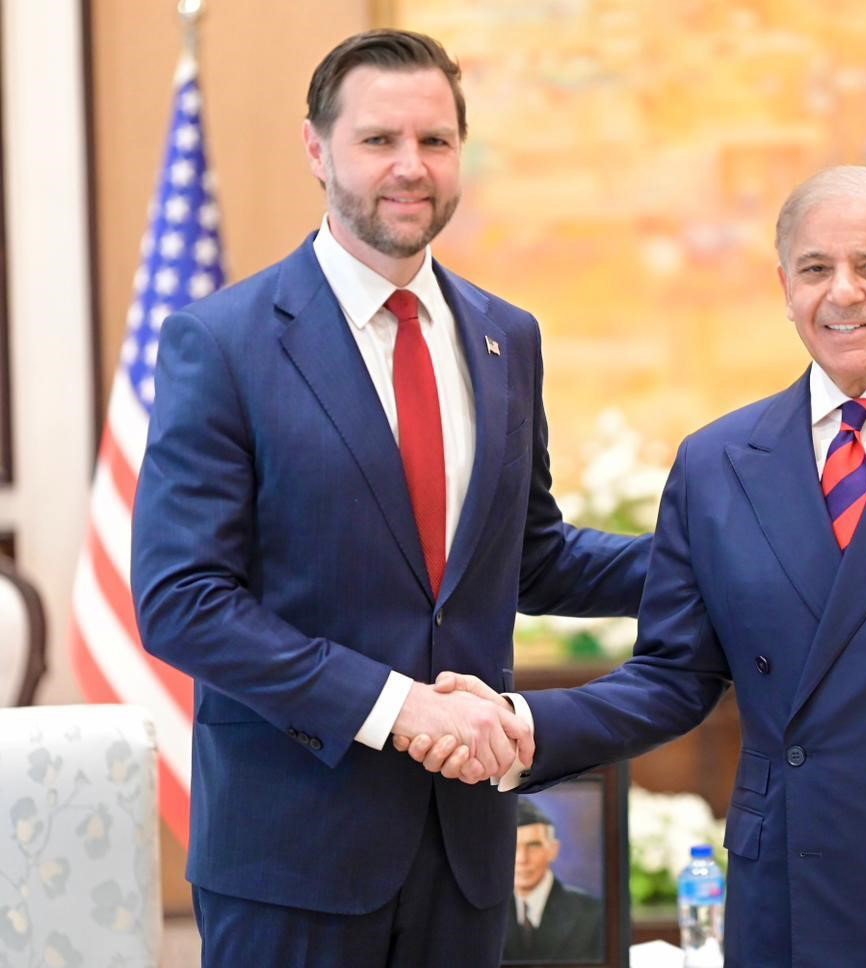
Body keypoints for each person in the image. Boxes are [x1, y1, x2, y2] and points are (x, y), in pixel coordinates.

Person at [411, 166, 866, 966]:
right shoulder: (718, 462)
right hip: (792, 896)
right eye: (816, 269)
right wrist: (523, 723)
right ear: (785, 286)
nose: (844, 294)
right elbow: (672, 678)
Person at [130, 29, 650, 968]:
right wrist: (398, 707)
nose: (411, 168)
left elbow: (528, 554)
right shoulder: (224, 342)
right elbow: (182, 601)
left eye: (436, 141)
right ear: (317, 148)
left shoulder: (506, 338)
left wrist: (725, 557)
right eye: (379, 140)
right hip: (292, 857)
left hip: (466, 855)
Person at [503, 798, 603, 963]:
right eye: (512, 846)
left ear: (553, 850)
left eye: (533, 845)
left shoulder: (593, 914)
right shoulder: (483, 913)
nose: (522, 859)